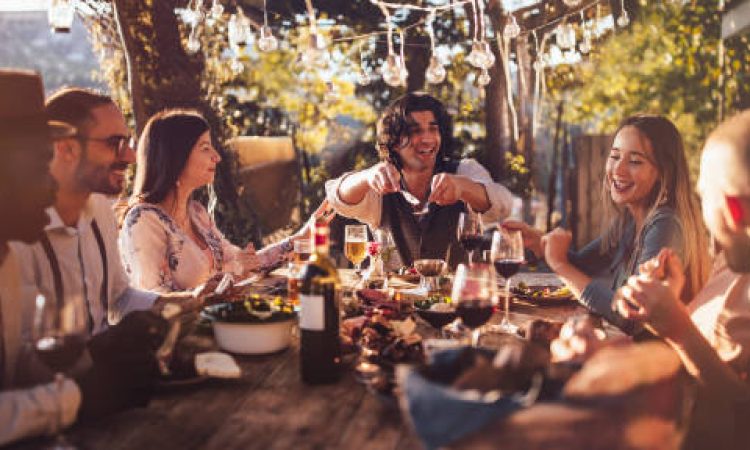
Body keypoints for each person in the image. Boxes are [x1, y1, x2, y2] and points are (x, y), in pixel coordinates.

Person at [0, 69, 168, 446]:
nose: (49, 190)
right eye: (35, 169)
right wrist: (77, 396)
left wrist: (100, 357)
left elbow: (17, 365)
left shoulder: (5, 261)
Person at [9, 88, 196, 335]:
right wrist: (100, 355)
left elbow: (119, 297)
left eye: (127, 142)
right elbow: (19, 356)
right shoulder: (17, 237)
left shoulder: (100, 209)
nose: (130, 157)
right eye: (115, 143)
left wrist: (182, 302)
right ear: (66, 149)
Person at [613, 110, 750, 449]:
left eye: (705, 198)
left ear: (733, 210)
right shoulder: (734, 260)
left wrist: (677, 329)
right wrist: (674, 307)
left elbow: (742, 413)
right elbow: (711, 356)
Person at [506, 114, 710, 333]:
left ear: (663, 173)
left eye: (635, 161)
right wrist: (541, 244)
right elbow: (582, 267)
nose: (618, 170)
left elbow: (632, 315)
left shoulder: (665, 225)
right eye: (615, 157)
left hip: (655, 358)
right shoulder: (631, 221)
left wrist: (560, 265)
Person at [118, 109, 314, 292]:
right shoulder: (144, 220)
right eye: (205, 148)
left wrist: (304, 235)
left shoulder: (197, 214)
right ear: (176, 157)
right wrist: (233, 270)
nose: (217, 157)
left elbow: (249, 264)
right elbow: (154, 300)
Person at [325, 92, 513, 268]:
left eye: (433, 129)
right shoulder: (381, 184)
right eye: (414, 131)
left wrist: (463, 187)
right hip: (394, 299)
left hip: (458, 297)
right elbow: (337, 197)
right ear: (394, 141)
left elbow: (503, 206)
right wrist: (366, 177)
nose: (427, 139)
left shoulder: (465, 170)